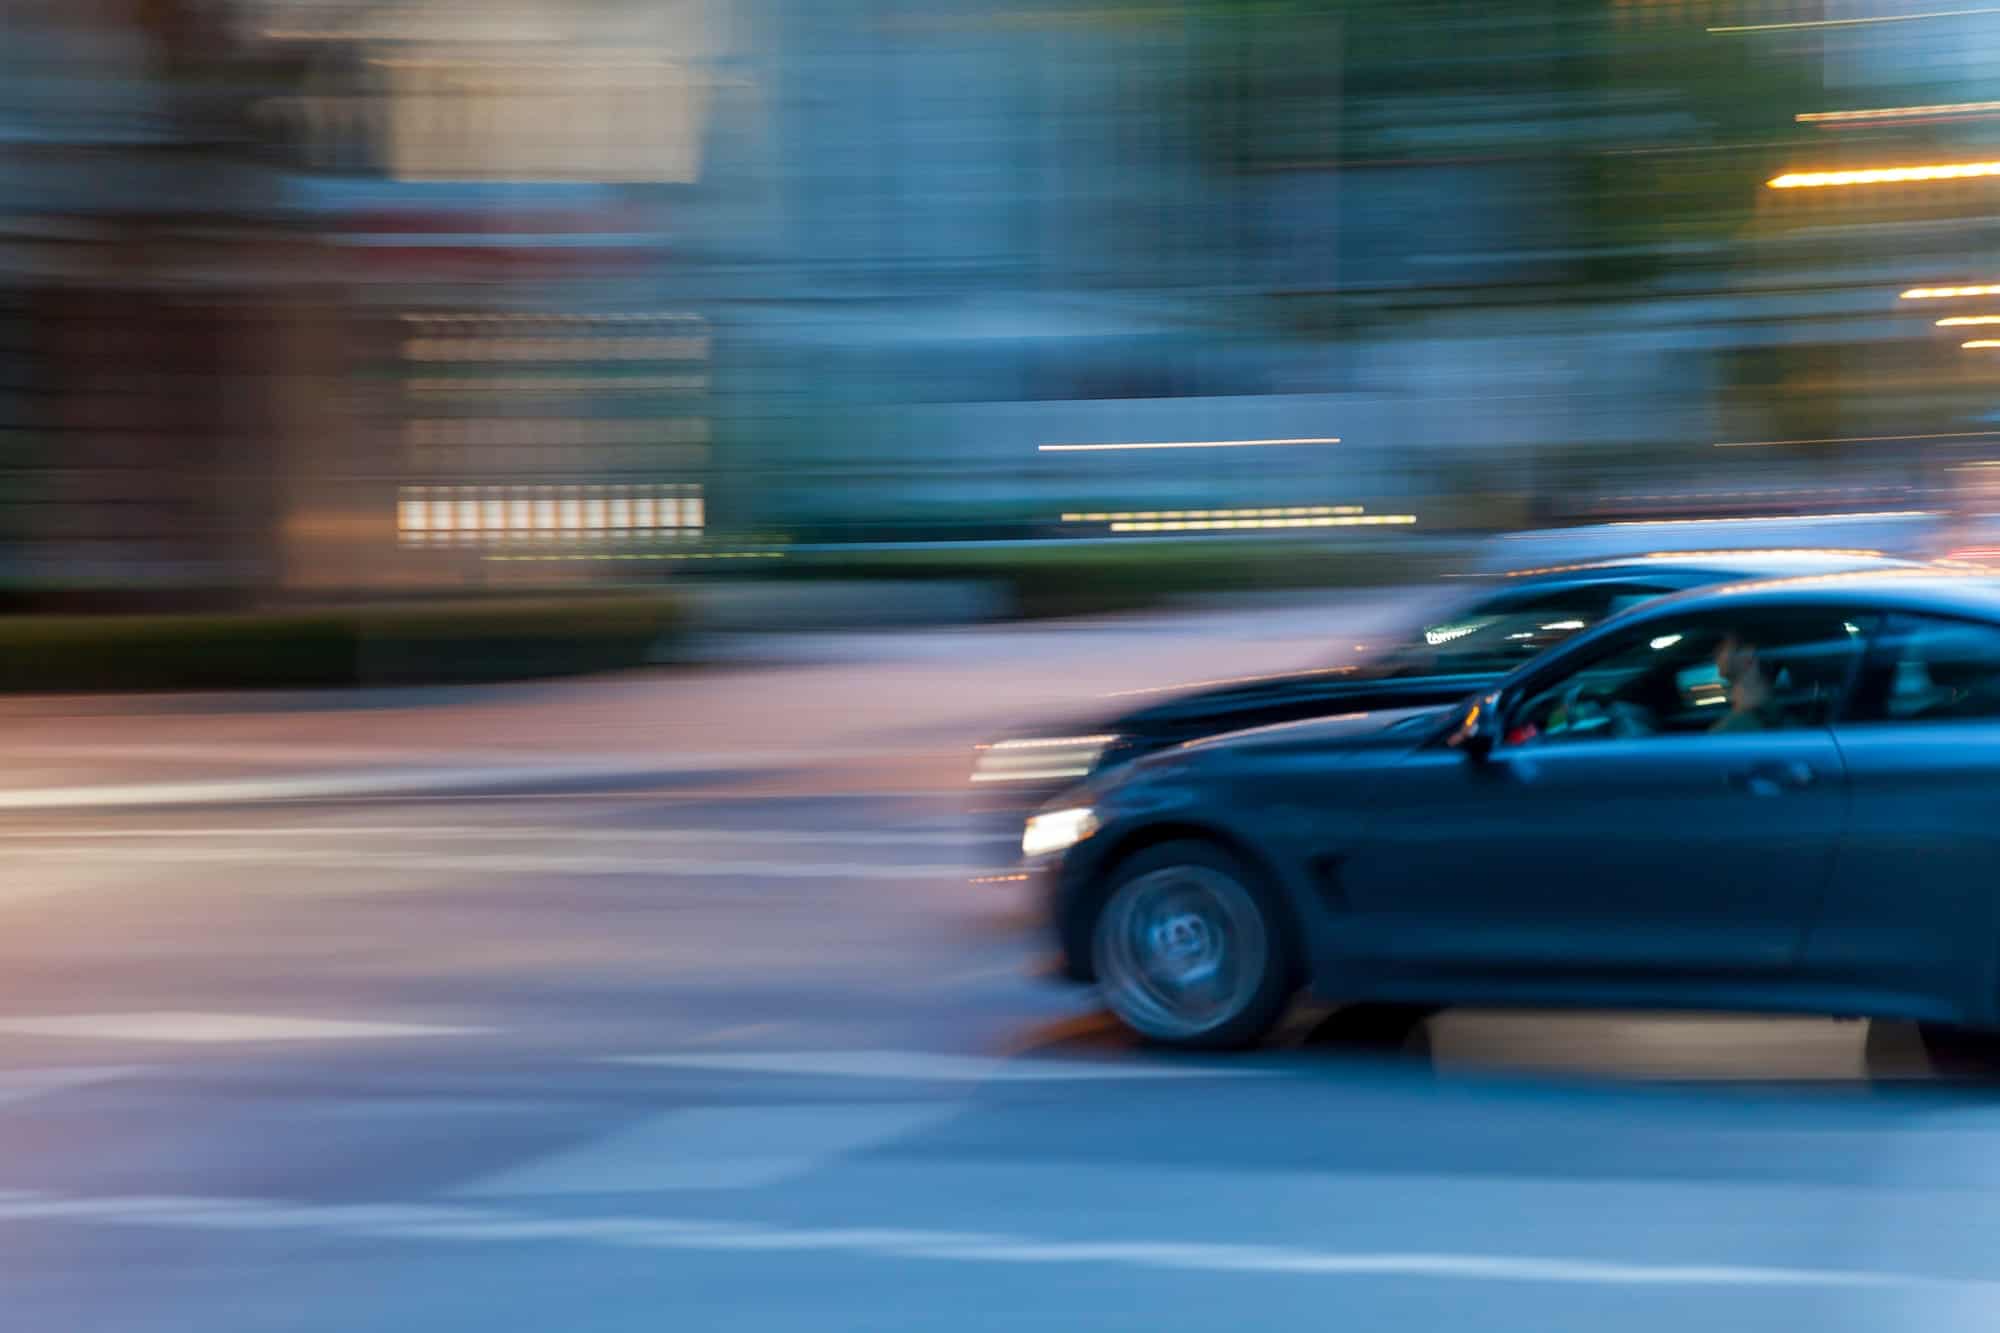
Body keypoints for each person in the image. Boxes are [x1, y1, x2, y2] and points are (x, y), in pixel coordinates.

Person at [1711, 632, 1782, 733]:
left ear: (1747, 654)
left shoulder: (1726, 735)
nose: (1715, 653)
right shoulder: (1792, 727)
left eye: (1723, 646)